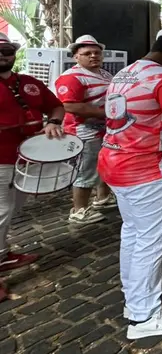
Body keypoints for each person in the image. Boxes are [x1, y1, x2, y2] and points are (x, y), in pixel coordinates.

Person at [98, 29, 162, 339]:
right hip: (147, 169)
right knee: (150, 241)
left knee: (133, 232)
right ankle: (145, 316)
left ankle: (136, 296)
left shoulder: (125, 73)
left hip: (115, 163)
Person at [0, 32, 64, 294]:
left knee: (13, 208)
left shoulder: (29, 82)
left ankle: (3, 254)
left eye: (7, 50)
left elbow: (56, 107)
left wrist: (53, 122)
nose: (3, 55)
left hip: (29, 157)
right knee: (1, 210)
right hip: (0, 159)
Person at [55, 34, 116, 224]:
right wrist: (107, 113)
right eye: (87, 53)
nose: (93, 56)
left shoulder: (104, 74)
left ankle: (102, 198)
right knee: (85, 170)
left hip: (105, 130)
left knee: (104, 165)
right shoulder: (71, 77)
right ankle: (79, 210)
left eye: (97, 52)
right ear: (76, 56)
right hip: (84, 132)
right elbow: (70, 106)